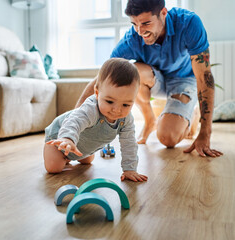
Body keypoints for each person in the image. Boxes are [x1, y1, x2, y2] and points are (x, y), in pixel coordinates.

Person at [76, 0, 223, 158]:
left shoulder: (189, 23)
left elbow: (204, 77)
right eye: (134, 24)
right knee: (130, 71)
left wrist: (205, 132)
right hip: (154, 79)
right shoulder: (132, 39)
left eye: (146, 23)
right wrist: (75, 124)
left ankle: (190, 115)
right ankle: (149, 119)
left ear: (163, 13)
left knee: (168, 138)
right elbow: (103, 79)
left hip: (184, 81)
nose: (140, 31)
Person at [44, 58, 148, 182]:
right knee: (54, 167)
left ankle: (73, 155)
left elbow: (129, 143)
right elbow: (74, 121)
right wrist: (67, 138)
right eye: (109, 101)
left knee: (87, 161)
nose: (117, 110)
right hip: (59, 138)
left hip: (82, 146)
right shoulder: (91, 108)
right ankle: (58, 153)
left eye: (126, 105)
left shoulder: (126, 119)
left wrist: (129, 169)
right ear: (97, 93)